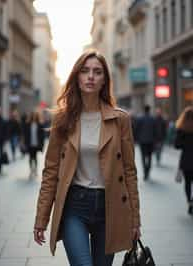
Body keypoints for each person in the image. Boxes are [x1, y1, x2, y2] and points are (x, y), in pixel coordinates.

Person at [33, 49, 141, 266]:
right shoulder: (63, 120)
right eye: (85, 71)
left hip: (109, 206)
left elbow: (129, 171)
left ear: (104, 80)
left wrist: (134, 219)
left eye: (97, 72)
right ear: (77, 77)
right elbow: (51, 172)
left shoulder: (120, 119)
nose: (91, 76)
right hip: (75, 207)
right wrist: (41, 219)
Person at [174, 106, 193, 215]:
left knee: (187, 182)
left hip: (186, 160)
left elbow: (177, 145)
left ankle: (189, 201)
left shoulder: (182, 129)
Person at [136, 105, 156, 180]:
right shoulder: (152, 119)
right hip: (151, 141)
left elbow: (136, 129)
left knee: (143, 157)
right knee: (150, 156)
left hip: (142, 141)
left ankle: (145, 172)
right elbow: (155, 130)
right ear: (149, 110)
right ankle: (148, 170)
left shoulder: (140, 118)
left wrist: (137, 139)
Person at [23, 111, 45, 177]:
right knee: (30, 157)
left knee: (35, 157)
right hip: (30, 143)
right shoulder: (28, 124)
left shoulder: (39, 124)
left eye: (35, 115)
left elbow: (42, 136)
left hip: (36, 144)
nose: (34, 117)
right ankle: (31, 170)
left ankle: (35, 170)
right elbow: (25, 134)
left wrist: (42, 144)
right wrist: (24, 143)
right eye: (33, 115)